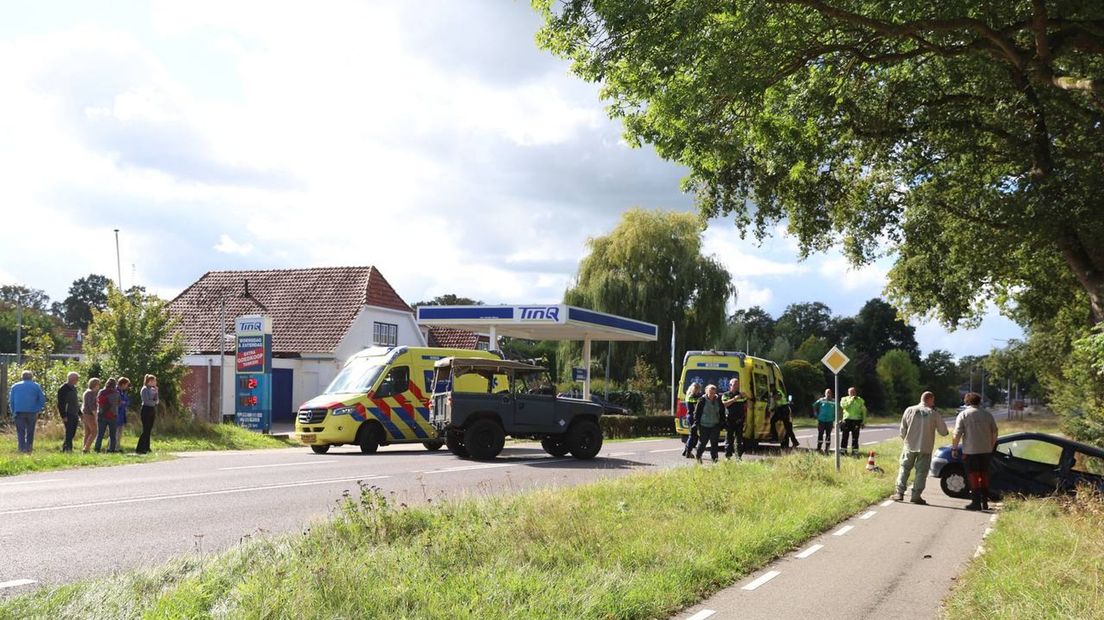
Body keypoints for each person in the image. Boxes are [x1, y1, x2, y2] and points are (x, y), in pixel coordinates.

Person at [895, 391, 949, 504]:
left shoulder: (909, 410)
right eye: (933, 400)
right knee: (921, 472)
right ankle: (916, 495)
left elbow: (902, 430)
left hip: (909, 446)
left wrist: (907, 440)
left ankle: (899, 493)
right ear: (930, 399)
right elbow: (944, 432)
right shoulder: (933, 413)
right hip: (925, 447)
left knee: (904, 468)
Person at [952, 392, 998, 511]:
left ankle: (975, 502)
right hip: (986, 451)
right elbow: (994, 432)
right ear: (979, 402)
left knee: (973, 476)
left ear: (966, 402)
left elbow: (957, 433)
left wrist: (954, 448)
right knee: (984, 475)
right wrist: (991, 446)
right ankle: (985, 502)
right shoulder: (988, 415)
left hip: (970, 451)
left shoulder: (964, 415)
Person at [9, 370, 46, 453]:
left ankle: (22, 449)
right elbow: (42, 399)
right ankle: (29, 448)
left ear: (22, 377)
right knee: (30, 431)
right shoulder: (36, 386)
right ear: (31, 377)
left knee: (20, 431)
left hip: (19, 411)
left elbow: (11, 401)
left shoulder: (15, 386)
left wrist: (13, 411)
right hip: (32, 411)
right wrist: (38, 409)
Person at [721, 377, 750, 460]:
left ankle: (738, 457)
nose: (736, 386)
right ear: (730, 385)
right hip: (729, 420)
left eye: (737, 384)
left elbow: (748, 406)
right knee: (729, 440)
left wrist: (747, 397)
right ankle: (728, 456)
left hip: (739, 420)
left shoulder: (741, 395)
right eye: (734, 384)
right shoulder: (726, 394)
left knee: (739, 440)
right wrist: (734, 399)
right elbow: (725, 404)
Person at [694, 384, 724, 463]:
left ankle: (715, 459)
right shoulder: (702, 400)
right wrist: (697, 424)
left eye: (713, 393)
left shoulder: (718, 400)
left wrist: (722, 423)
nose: (712, 395)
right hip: (704, 425)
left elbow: (722, 412)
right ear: (706, 392)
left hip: (715, 424)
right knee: (703, 442)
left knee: (714, 443)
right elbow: (696, 413)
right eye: (710, 393)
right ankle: (698, 456)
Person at [57, 371, 82, 452]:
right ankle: (68, 449)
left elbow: (76, 402)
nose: (78, 380)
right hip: (68, 414)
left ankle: (65, 448)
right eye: (77, 379)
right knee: (69, 432)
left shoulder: (74, 388)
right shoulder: (63, 389)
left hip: (74, 413)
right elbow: (61, 403)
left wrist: (80, 413)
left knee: (72, 432)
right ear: (72, 379)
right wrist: (63, 415)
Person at [839, 387, 868, 456]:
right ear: (848, 393)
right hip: (847, 420)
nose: (852, 393)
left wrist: (863, 422)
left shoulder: (860, 400)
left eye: (853, 392)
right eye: (851, 392)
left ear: (855, 392)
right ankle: (843, 451)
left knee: (855, 437)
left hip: (857, 421)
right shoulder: (844, 399)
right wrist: (851, 400)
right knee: (844, 436)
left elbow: (864, 411)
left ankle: (855, 451)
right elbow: (843, 406)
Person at [94, 378, 120, 453]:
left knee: (100, 434)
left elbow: (98, 402)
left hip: (102, 415)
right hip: (113, 415)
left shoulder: (101, 392)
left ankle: (97, 449)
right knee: (112, 435)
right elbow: (118, 403)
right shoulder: (116, 393)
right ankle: (111, 449)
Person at [136, 374, 159, 454]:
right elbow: (146, 401)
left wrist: (156, 392)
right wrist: (153, 401)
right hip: (146, 409)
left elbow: (157, 401)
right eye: (154, 381)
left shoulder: (153, 389)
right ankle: (140, 448)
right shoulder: (145, 389)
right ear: (150, 381)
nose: (155, 382)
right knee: (145, 429)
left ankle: (147, 447)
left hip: (152, 409)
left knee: (149, 429)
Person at [681, 382, 703, 458]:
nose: (699, 391)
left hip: (691, 417)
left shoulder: (689, 395)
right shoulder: (692, 396)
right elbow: (696, 406)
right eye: (698, 389)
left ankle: (686, 450)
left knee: (695, 435)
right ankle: (688, 452)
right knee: (693, 435)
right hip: (692, 417)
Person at [812, 389, 836, 454]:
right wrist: (815, 413)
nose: (828, 394)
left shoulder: (834, 401)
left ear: (831, 393)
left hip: (830, 420)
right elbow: (814, 405)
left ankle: (827, 449)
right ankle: (819, 448)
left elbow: (838, 410)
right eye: (827, 392)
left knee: (828, 435)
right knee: (820, 434)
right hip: (821, 420)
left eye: (829, 392)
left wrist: (835, 418)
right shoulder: (821, 400)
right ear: (825, 393)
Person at [81, 377, 101, 453]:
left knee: (88, 432)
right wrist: (95, 415)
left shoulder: (87, 392)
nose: (99, 386)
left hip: (85, 414)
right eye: (98, 384)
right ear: (95, 385)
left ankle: (85, 448)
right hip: (89, 414)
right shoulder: (90, 393)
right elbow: (91, 406)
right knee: (94, 432)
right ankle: (86, 448)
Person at [115, 377, 131, 452]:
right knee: (116, 432)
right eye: (127, 384)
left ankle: (117, 447)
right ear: (123, 384)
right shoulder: (116, 391)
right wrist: (122, 403)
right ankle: (113, 447)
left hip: (122, 414)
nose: (127, 386)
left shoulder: (123, 392)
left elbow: (127, 401)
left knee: (120, 432)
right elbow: (118, 403)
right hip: (116, 414)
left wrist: (123, 403)